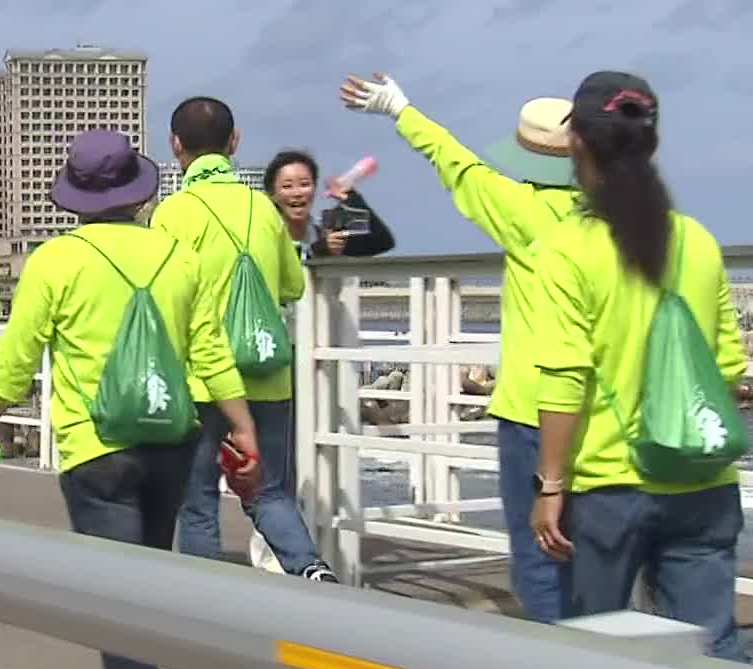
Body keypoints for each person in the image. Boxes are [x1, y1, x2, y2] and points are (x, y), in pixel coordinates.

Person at [0, 128, 259, 669]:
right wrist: (242, 424)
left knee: (115, 587)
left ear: (76, 198)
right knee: (145, 578)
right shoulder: (178, 257)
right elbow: (210, 350)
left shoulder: (56, 261)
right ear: (136, 192)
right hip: (171, 443)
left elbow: (17, 357)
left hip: (96, 449)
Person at [521, 71, 748, 660]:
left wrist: (550, 485)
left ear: (576, 144)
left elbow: (567, 378)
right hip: (705, 479)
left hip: (610, 487)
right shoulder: (697, 241)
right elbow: (728, 365)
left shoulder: (567, 250)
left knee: (597, 652)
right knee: (712, 648)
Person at [342, 73, 583, 624]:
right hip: (607, 414)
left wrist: (401, 109)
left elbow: (457, 163)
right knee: (592, 560)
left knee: (539, 559)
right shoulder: (619, 219)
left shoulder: (522, 212)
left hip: (532, 409)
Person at [151, 97, 336, 583]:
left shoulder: (173, 213)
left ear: (176, 146)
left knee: (198, 501)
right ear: (235, 142)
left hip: (202, 380)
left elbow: (165, 298)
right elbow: (294, 286)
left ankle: (209, 604)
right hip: (267, 374)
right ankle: (311, 568)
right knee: (269, 491)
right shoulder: (263, 207)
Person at [263, 150, 395, 260]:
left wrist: (351, 198)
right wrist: (317, 251)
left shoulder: (326, 230)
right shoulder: (264, 234)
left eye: (304, 184)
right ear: (272, 193)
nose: (297, 193)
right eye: (287, 186)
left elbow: (383, 242)